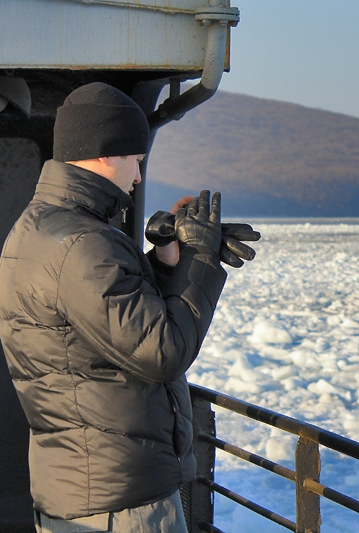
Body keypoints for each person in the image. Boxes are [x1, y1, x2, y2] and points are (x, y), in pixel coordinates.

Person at [0, 82, 229, 532]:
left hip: (89, 487)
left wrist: (165, 263)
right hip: (120, 505)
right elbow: (161, 350)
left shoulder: (47, 228)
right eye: (136, 161)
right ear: (107, 152)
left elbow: (97, 322)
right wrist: (201, 261)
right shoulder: (83, 242)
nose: (139, 177)